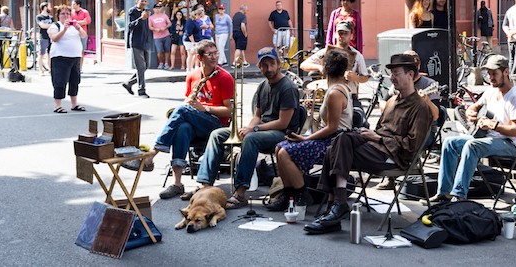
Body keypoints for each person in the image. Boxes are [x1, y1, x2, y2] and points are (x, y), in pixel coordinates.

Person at [304, 53, 432, 235]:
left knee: (339, 144)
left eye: (396, 73)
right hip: (376, 148)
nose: (392, 78)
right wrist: (367, 135)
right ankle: (335, 206)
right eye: (391, 74)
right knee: (339, 142)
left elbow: (410, 147)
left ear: (410, 75)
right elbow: (378, 130)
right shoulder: (392, 101)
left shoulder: (420, 107)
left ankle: (335, 206)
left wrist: (378, 138)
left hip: (394, 156)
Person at [191, 47, 300, 209]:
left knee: (251, 138)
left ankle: (240, 192)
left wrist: (253, 130)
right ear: (259, 66)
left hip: (282, 133)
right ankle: (205, 185)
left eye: (272, 64)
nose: (268, 69)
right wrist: (247, 128)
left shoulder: (288, 87)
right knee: (217, 134)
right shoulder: (263, 86)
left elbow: (283, 123)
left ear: (279, 64)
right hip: (263, 130)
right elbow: (257, 116)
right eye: (264, 65)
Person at [123, 41, 235, 199]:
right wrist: (191, 106)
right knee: (182, 128)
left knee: (182, 110)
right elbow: (187, 103)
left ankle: (153, 152)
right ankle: (177, 184)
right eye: (210, 54)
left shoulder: (224, 77)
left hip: (215, 124)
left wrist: (205, 109)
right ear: (199, 57)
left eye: (216, 53)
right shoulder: (192, 76)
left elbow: (229, 112)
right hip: (195, 122)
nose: (214, 57)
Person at [430, 54, 516, 202]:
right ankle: (444, 193)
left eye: (494, 73)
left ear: (506, 72)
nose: (490, 78)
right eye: (488, 74)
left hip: (508, 143)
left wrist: (493, 125)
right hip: (486, 138)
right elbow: (474, 107)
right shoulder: (491, 91)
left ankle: (459, 195)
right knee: (449, 143)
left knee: (472, 145)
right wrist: (471, 113)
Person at [267, 48, 354, 211]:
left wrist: (307, 138)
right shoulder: (338, 88)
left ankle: (301, 193)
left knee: (285, 153)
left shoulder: (335, 93)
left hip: (334, 143)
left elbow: (333, 127)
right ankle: (288, 194)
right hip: (329, 138)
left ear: (325, 69)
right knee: (279, 147)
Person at [375, 48, 440, 190]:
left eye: (415, 62)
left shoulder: (428, 84)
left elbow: (436, 115)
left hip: (423, 131)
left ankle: (393, 167)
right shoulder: (396, 86)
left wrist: (427, 100)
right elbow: (383, 104)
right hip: (398, 127)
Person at [301, 19, 368, 109]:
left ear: (351, 36)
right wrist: (319, 67)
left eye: (345, 33)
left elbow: (365, 77)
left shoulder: (357, 55)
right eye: (340, 33)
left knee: (359, 120)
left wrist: (355, 77)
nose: (342, 36)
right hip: (329, 94)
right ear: (335, 34)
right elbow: (303, 65)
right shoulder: (326, 52)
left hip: (349, 97)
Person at [47, 5, 85, 113]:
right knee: (60, 81)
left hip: (75, 57)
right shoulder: (55, 26)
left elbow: (83, 35)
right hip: (60, 57)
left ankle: (74, 104)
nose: (66, 16)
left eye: (68, 14)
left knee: (75, 81)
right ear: (58, 16)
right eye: (63, 14)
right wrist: (64, 29)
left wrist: (78, 28)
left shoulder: (75, 26)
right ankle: (57, 105)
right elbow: (55, 38)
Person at [123, 0, 152, 98]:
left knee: (146, 66)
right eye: (141, 1)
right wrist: (141, 19)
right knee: (140, 67)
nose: (143, 3)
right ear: (137, 1)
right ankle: (141, 90)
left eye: (145, 1)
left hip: (145, 42)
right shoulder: (132, 11)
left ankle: (129, 83)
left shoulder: (146, 12)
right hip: (136, 42)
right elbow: (130, 26)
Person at [149, 3, 172, 69]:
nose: (157, 9)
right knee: (159, 51)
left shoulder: (164, 16)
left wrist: (164, 27)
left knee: (167, 50)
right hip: (157, 37)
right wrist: (155, 29)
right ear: (154, 9)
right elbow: (150, 27)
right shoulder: (151, 17)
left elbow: (169, 23)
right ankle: (161, 63)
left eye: (159, 8)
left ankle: (166, 63)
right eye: (156, 8)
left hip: (166, 35)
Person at [70, 0, 91, 67]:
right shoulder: (71, 13)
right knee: (73, 49)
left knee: (81, 50)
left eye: (74, 4)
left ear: (78, 5)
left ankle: (80, 66)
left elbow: (88, 21)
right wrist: (81, 22)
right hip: (73, 33)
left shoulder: (85, 12)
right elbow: (69, 22)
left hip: (83, 33)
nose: (72, 6)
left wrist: (75, 22)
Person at [36, 2, 53, 75]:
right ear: (45, 7)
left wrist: (48, 25)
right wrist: (50, 25)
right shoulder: (39, 17)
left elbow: (53, 26)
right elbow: (42, 26)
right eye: (49, 6)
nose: (50, 8)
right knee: (41, 54)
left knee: (50, 54)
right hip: (43, 37)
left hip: (51, 37)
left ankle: (50, 69)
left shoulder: (51, 17)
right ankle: (40, 70)